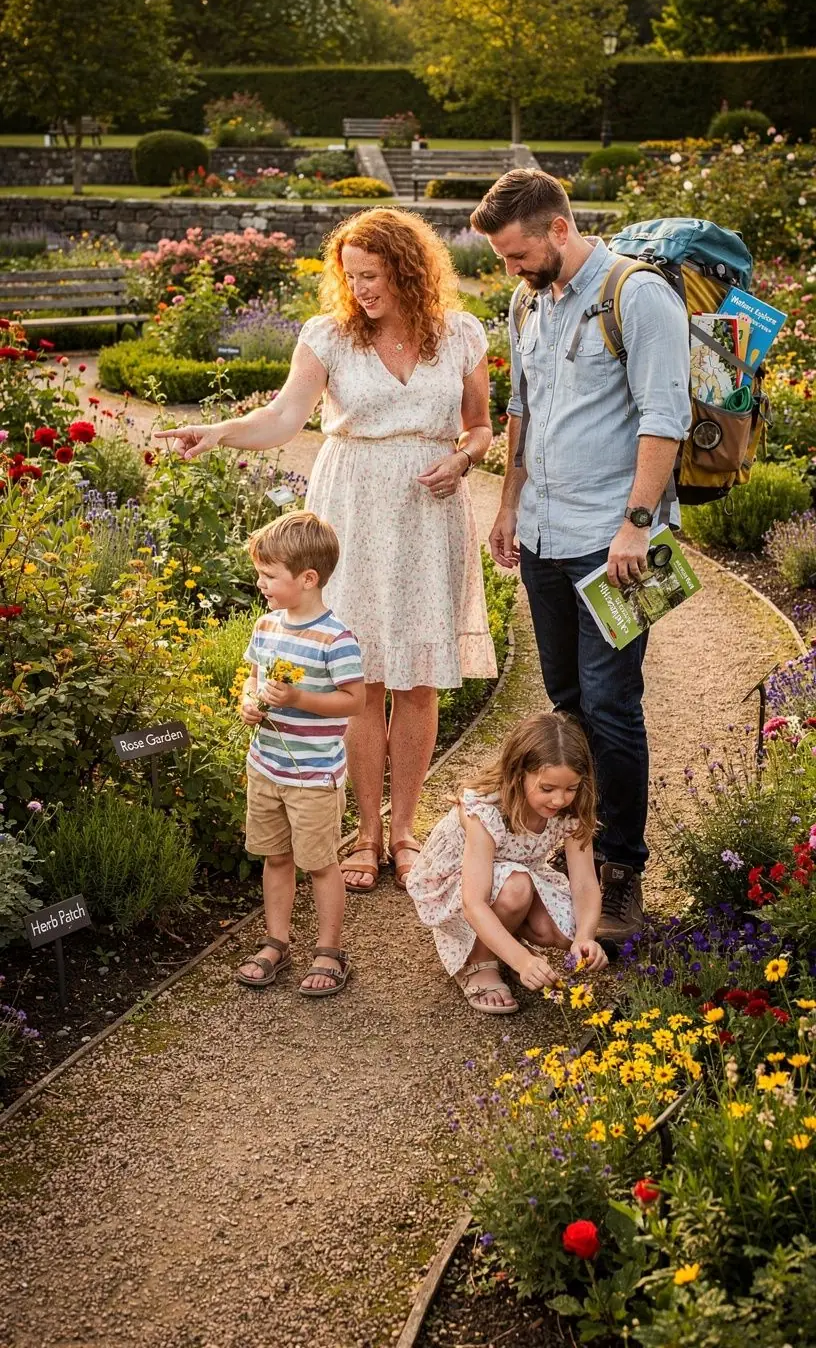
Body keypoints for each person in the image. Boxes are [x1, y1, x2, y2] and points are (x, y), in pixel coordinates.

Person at [155, 208, 496, 893]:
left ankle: (405, 832)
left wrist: (462, 460)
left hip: (430, 514)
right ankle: (366, 835)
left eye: (372, 275)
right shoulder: (330, 336)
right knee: (360, 676)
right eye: (351, 277)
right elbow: (284, 417)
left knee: (418, 680)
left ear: (408, 267)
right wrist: (220, 431)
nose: (362, 289)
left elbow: (481, 426)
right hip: (354, 507)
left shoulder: (460, 334)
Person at [470, 170, 691, 944]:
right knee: (564, 697)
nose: (511, 269)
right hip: (544, 532)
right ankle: (577, 850)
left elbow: (667, 415)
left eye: (518, 252)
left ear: (559, 230)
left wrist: (636, 525)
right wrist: (506, 506)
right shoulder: (527, 299)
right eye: (501, 258)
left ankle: (622, 868)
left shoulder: (638, 295)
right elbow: (521, 409)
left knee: (610, 706)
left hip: (617, 542)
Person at [234, 512, 366, 996]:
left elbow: (357, 702)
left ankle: (330, 950)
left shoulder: (336, 639)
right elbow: (252, 679)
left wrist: (299, 700)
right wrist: (251, 703)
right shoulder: (267, 626)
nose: (260, 582)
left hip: (313, 775)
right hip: (265, 766)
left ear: (308, 579)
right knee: (276, 858)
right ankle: (276, 941)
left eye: (270, 576)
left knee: (319, 862)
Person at [406, 712, 607, 1015]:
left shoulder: (571, 809)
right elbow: (473, 901)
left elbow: (584, 883)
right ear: (518, 774)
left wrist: (585, 937)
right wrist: (521, 961)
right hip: (461, 887)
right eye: (547, 788)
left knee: (565, 931)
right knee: (516, 888)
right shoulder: (487, 809)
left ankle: (507, 939)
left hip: (517, 877)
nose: (559, 800)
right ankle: (478, 961)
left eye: (571, 788)